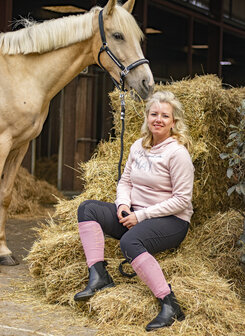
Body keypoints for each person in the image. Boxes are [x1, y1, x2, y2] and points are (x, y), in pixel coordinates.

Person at [74, 91, 194, 332]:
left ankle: (170, 304)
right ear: (147, 117)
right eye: (154, 114)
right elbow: (125, 181)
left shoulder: (177, 153)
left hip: (170, 221)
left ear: (173, 122)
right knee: (88, 208)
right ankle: (99, 277)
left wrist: (141, 216)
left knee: (130, 241)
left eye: (165, 115)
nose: (158, 119)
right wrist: (123, 205)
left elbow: (182, 200)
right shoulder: (137, 146)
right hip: (135, 213)